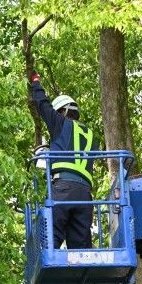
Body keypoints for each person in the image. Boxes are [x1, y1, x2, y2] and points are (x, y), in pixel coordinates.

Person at [29, 71, 99, 250]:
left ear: (62, 111)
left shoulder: (61, 124)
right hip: (85, 196)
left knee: (50, 241)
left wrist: (35, 82)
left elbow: (42, 105)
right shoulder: (92, 135)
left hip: (64, 189)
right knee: (81, 247)